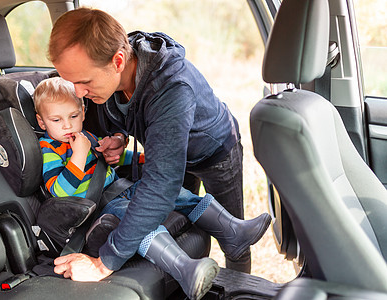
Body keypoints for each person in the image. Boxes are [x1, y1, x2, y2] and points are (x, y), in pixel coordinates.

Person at [48, 7, 262, 279]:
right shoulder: (107, 81)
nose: (79, 93)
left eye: (84, 81)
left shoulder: (170, 85)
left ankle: (240, 289)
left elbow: (162, 184)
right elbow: (121, 118)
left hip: (214, 150)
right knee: (187, 229)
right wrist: (119, 137)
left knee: (234, 240)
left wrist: (105, 262)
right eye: (71, 82)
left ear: (118, 61)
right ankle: (196, 282)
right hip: (167, 151)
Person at [34, 77, 270, 299]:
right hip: (100, 209)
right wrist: (79, 155)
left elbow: (112, 159)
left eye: (73, 116)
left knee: (175, 192)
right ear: (41, 121)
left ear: (83, 112)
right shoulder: (50, 150)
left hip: (120, 188)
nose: (67, 125)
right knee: (137, 217)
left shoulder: (85, 137)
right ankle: (186, 270)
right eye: (56, 120)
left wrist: (143, 159)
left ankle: (232, 231)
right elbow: (60, 192)